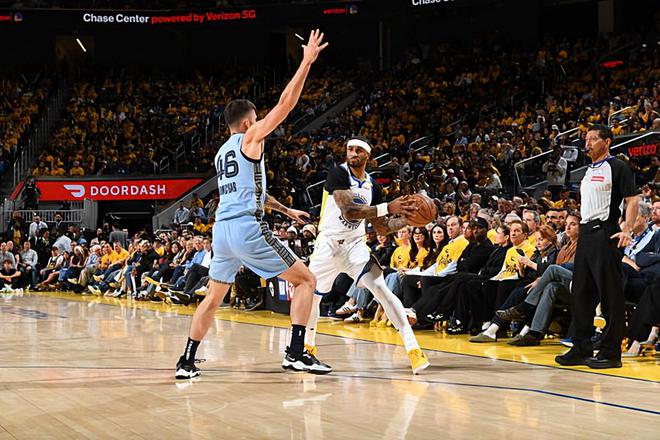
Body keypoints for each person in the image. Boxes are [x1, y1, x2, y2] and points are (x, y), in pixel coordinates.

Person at [175, 30, 330, 379]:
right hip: (247, 228)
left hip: (222, 232)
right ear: (248, 122)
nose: (260, 123)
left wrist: (285, 210)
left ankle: (186, 361)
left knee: (213, 297)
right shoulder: (250, 137)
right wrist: (306, 62)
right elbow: (285, 105)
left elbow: (248, 192)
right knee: (306, 280)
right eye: (257, 119)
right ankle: (296, 354)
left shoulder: (221, 153)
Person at [303, 137, 428, 373]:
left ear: (367, 156)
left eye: (358, 150)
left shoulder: (374, 187)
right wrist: (389, 207)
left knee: (382, 290)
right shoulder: (338, 173)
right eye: (349, 149)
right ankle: (308, 347)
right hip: (328, 243)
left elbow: (381, 227)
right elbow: (349, 211)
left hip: (355, 245)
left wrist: (407, 220)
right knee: (313, 297)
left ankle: (413, 349)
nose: (352, 153)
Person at [555, 125, 638, 369]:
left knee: (610, 294)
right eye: (586, 139)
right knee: (581, 292)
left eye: (593, 139)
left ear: (607, 142)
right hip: (586, 233)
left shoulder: (617, 167)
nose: (587, 143)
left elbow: (632, 200)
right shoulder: (588, 170)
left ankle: (611, 352)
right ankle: (581, 347)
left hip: (606, 232)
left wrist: (627, 229)